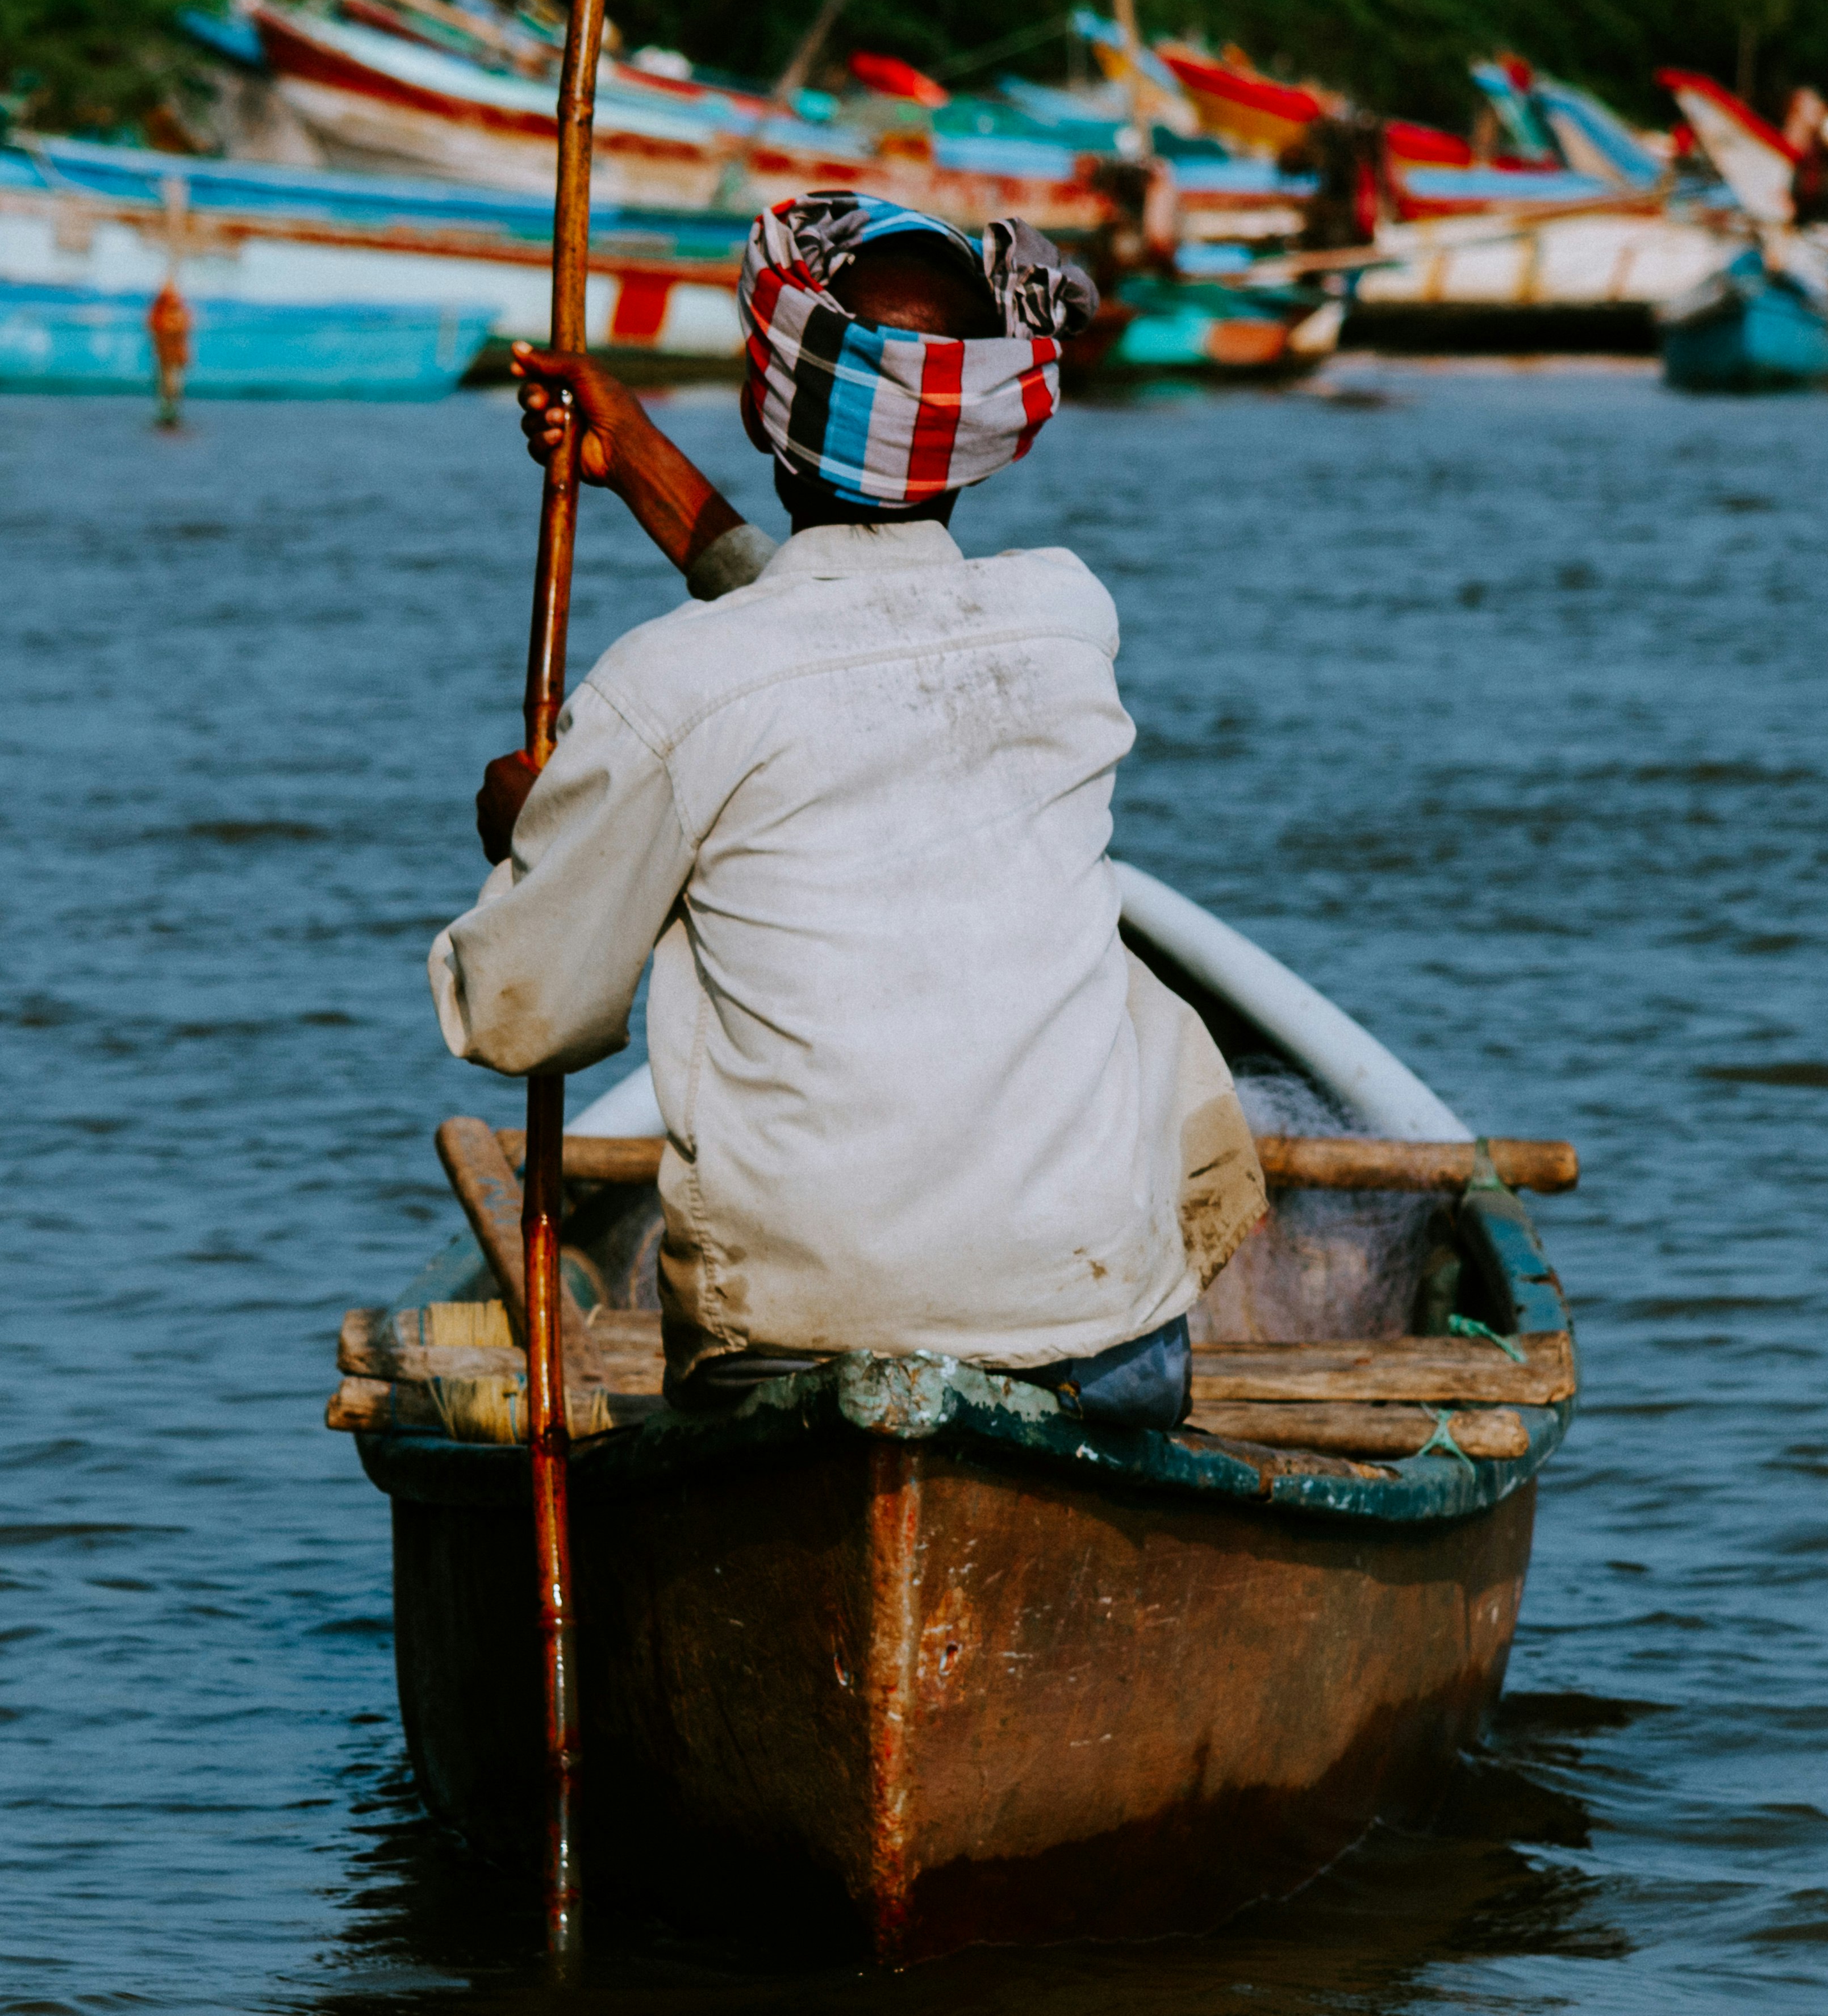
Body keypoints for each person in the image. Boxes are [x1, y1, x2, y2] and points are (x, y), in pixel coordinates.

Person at [429, 191, 1266, 1424]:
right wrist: (646, 466)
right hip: (1096, 1336)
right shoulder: (1065, 625)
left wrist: (534, 839)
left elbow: (520, 1017)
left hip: (788, 1348)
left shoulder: (670, 689)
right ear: (976, 428)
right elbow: (846, 647)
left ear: (776, 414)